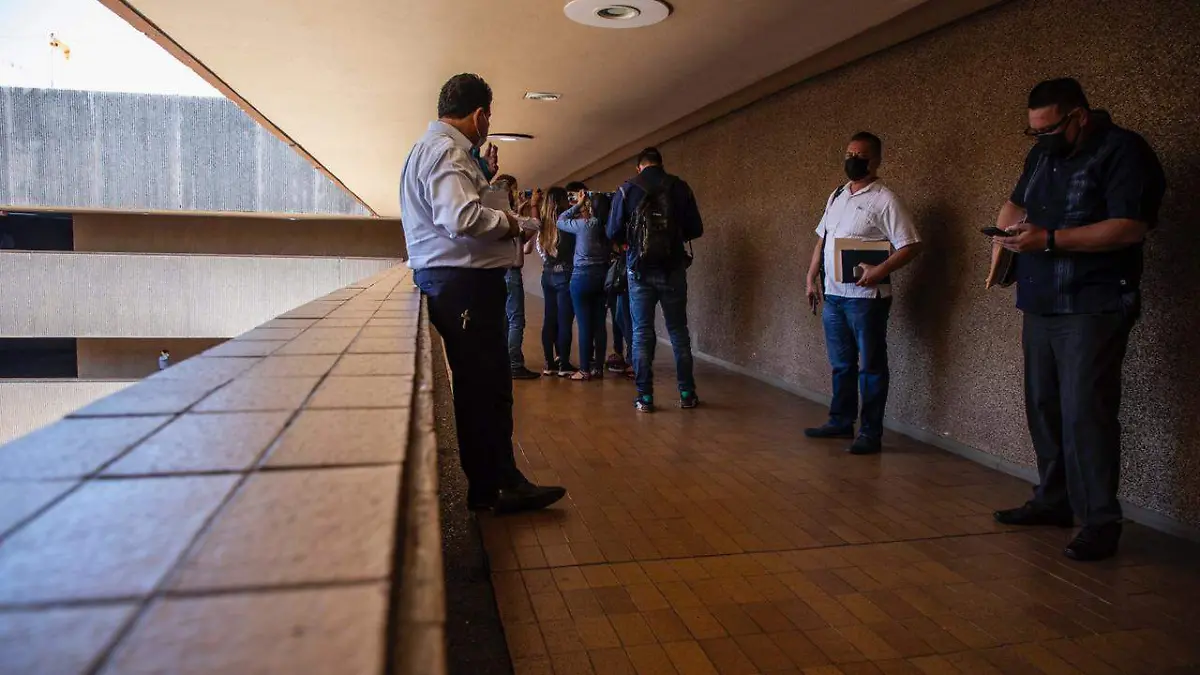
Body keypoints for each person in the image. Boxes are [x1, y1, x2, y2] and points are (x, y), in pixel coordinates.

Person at [990, 78, 1165, 562]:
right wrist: (1004, 234)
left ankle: (1100, 521)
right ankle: (1053, 500)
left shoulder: (1124, 151)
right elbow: (1017, 202)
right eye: (1034, 131)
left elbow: (1129, 227)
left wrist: (1048, 241)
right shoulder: (1042, 155)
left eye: (1048, 129)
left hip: (1093, 301)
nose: (1041, 138)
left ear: (1079, 116)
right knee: (1043, 405)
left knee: (1086, 411)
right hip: (1040, 298)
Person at [399, 73, 565, 514]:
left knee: (480, 385)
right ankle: (497, 485)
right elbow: (461, 218)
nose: (487, 125)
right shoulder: (447, 151)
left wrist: (485, 180)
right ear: (479, 115)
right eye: (488, 117)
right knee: (485, 387)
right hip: (464, 285)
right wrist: (515, 223)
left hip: (452, 282)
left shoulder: (428, 149)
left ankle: (493, 482)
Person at [803, 132, 922, 456]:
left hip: (866, 300)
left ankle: (870, 432)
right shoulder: (837, 195)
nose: (852, 160)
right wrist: (811, 277)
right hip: (834, 296)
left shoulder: (885, 200)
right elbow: (823, 239)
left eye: (860, 155)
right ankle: (840, 421)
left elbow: (911, 245)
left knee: (871, 366)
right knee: (842, 364)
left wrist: (880, 270)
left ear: (876, 160)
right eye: (849, 154)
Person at [606, 147, 704, 413]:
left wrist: (629, 244)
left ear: (639, 167)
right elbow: (696, 229)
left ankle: (645, 397)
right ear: (661, 164)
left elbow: (612, 231)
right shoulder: (680, 187)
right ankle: (687, 393)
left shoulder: (627, 189)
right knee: (678, 331)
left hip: (639, 271)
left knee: (641, 333)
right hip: (673, 270)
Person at [557, 183, 610, 381]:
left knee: (584, 324)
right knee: (600, 324)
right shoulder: (609, 227)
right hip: (602, 276)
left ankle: (585, 369)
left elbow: (560, 221)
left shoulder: (584, 225)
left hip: (582, 277)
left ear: (591, 207)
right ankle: (598, 368)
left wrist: (579, 205)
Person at [491, 173, 542, 380]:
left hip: (497, 272)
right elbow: (536, 225)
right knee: (516, 320)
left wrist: (520, 210)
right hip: (511, 273)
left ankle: (502, 361)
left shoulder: (492, 214)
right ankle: (514, 363)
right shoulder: (508, 215)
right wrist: (534, 205)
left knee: (503, 319)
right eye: (514, 189)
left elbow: (522, 240)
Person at [537, 187, 576, 376]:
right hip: (565, 273)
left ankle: (549, 363)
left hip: (547, 273)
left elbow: (541, 250)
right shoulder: (566, 223)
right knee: (564, 320)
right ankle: (564, 364)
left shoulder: (543, 223)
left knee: (549, 319)